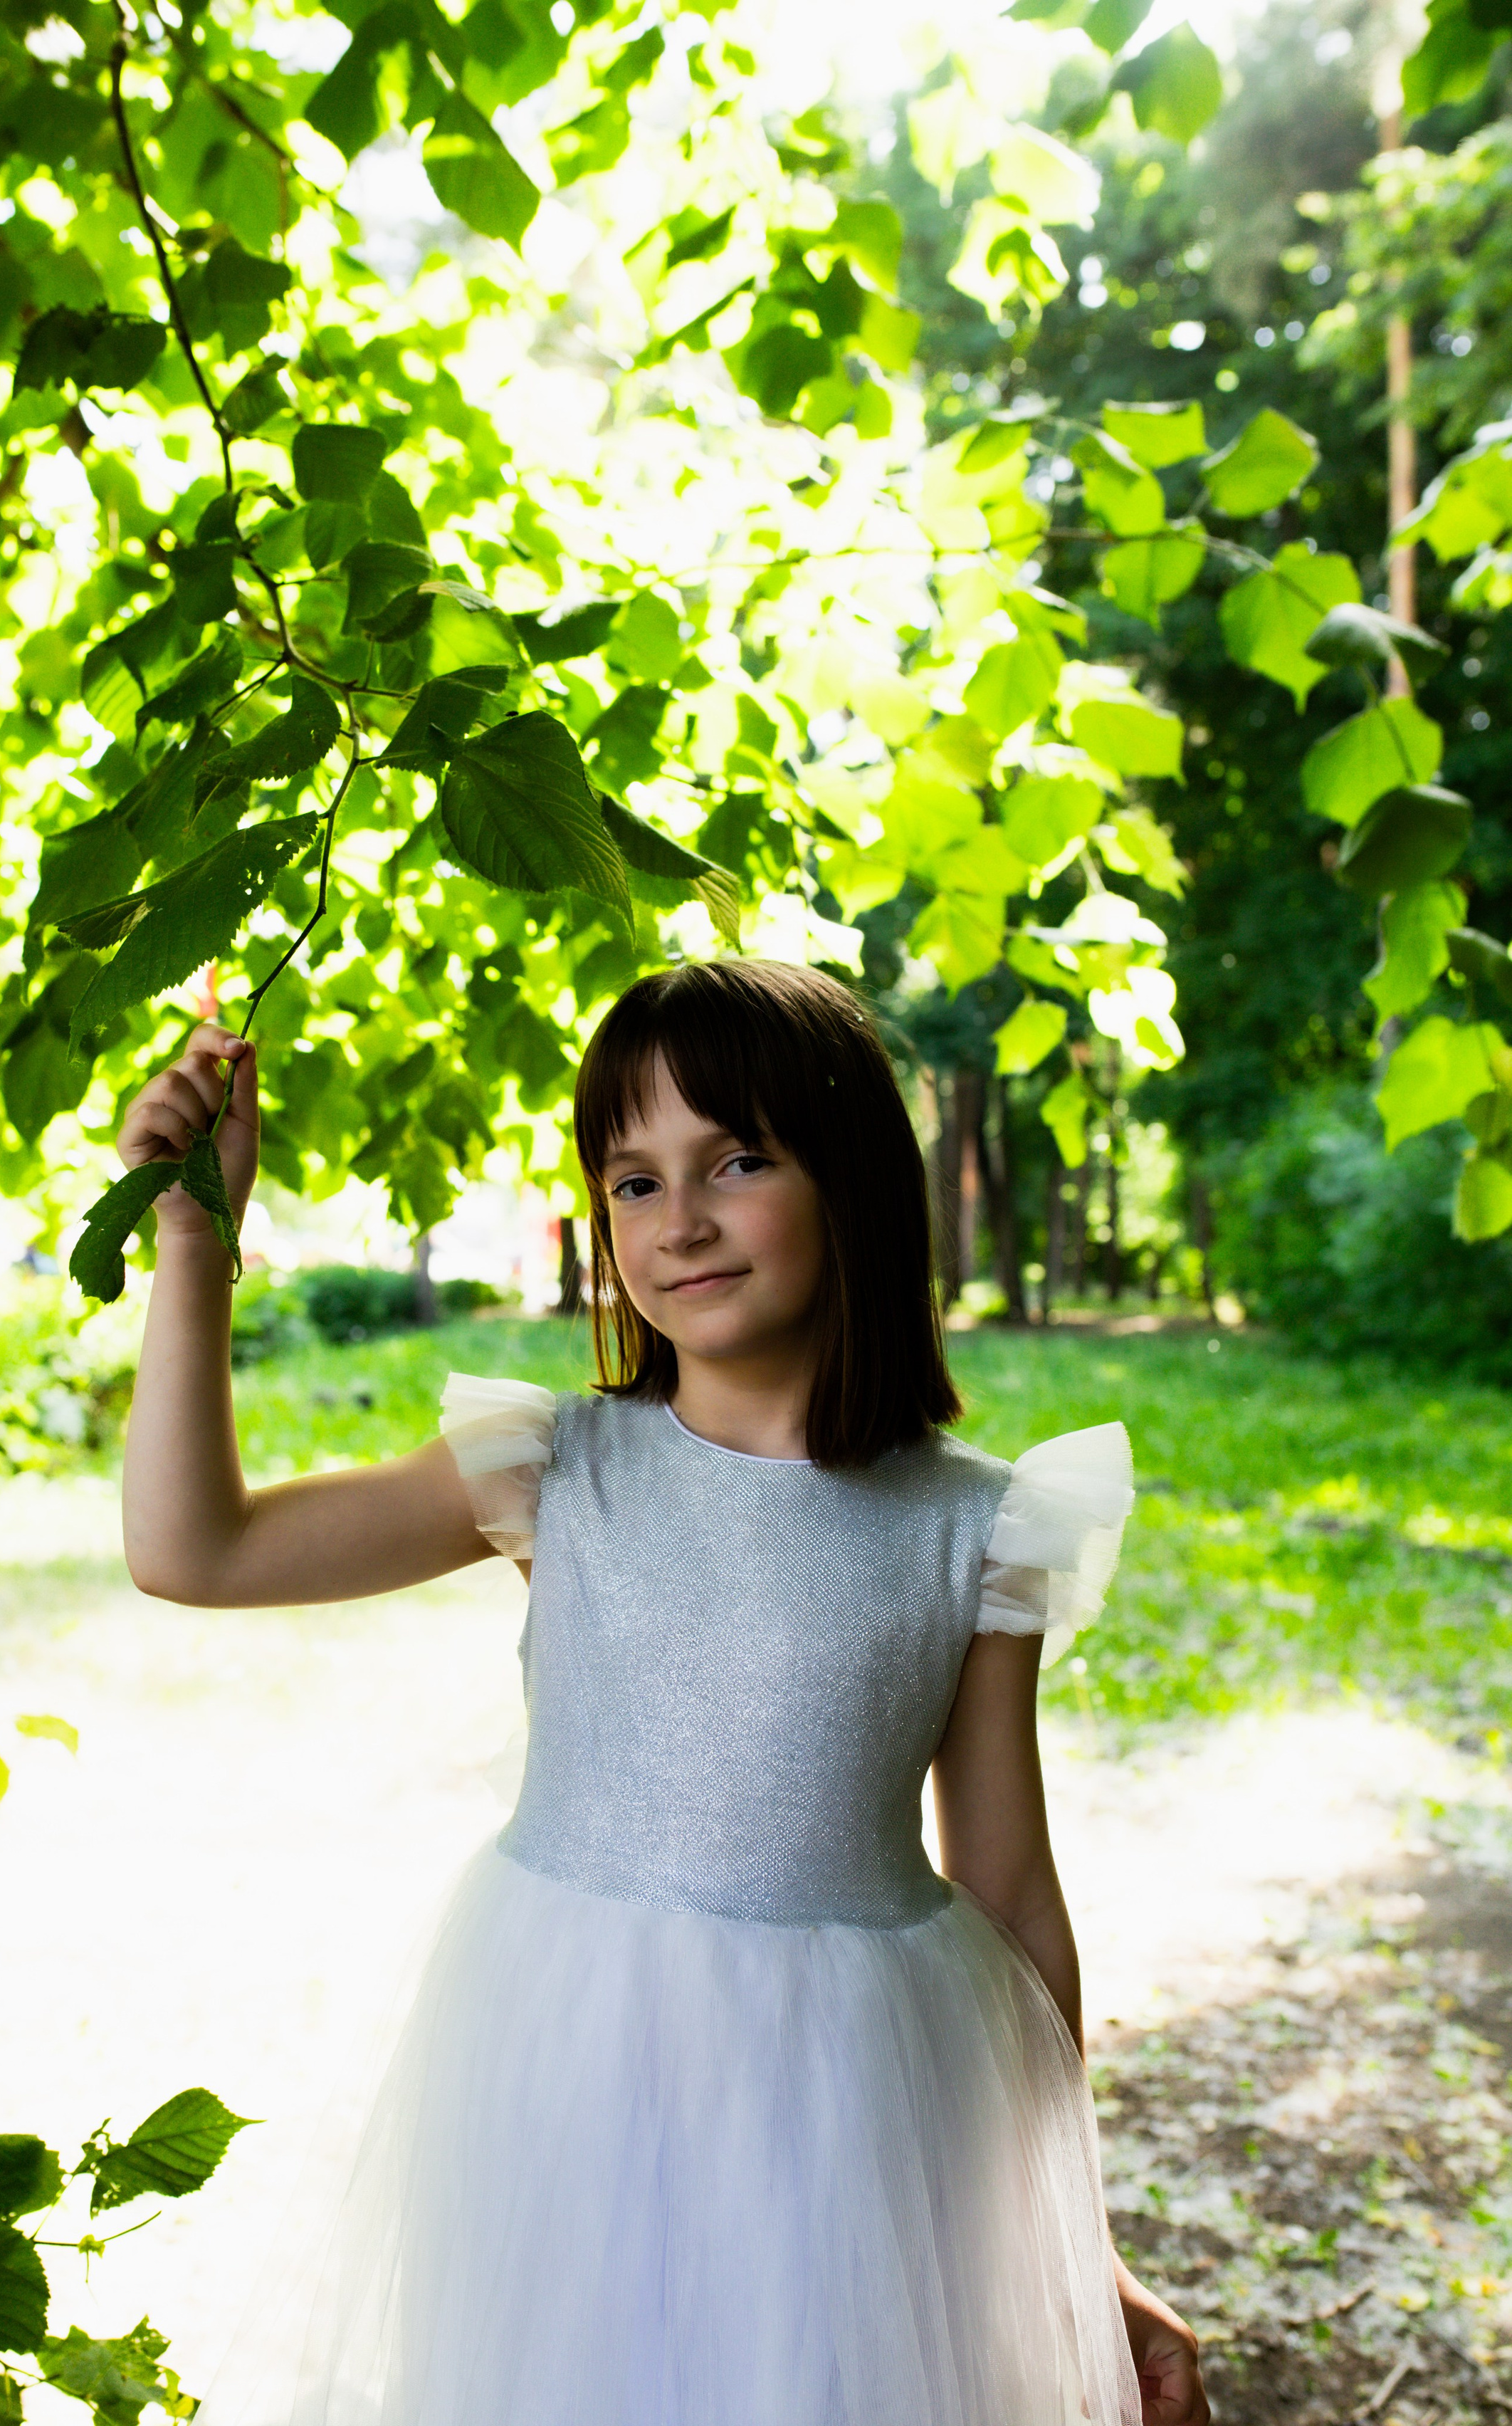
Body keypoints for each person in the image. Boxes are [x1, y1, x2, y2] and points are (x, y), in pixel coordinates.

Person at [117, 960, 1210, 2426]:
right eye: (630, 1181)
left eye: (736, 1160)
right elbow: (197, 1551)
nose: (678, 1219)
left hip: (848, 2122)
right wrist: (194, 1238)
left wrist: (1079, 2251)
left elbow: (1010, 1898)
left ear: (855, 1183)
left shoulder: (977, 1527)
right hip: (572, 2086)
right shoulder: (556, 1470)